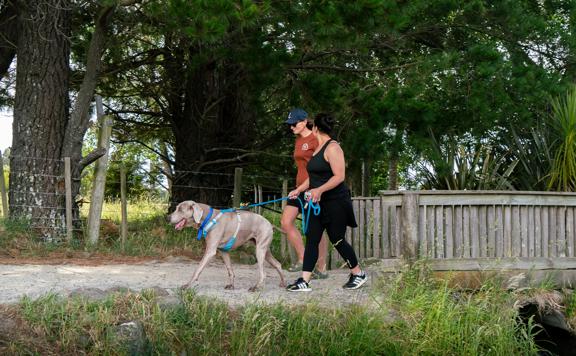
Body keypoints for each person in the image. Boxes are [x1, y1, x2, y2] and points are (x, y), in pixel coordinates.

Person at [286, 113, 367, 292]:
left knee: (337, 239)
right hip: (319, 204)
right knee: (312, 239)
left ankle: (358, 273)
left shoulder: (333, 148)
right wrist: (299, 190)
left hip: (336, 202)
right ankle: (304, 281)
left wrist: (319, 190)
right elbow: (315, 177)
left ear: (315, 128)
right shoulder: (318, 148)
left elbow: (339, 177)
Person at [281, 108, 329, 279]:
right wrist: (299, 187)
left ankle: (321, 267)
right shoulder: (298, 140)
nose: (291, 127)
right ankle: (303, 258)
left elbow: (321, 168)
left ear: (303, 122)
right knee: (286, 222)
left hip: (313, 189)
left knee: (315, 229)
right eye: (290, 124)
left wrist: (309, 188)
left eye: (294, 124)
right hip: (299, 187)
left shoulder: (316, 139)